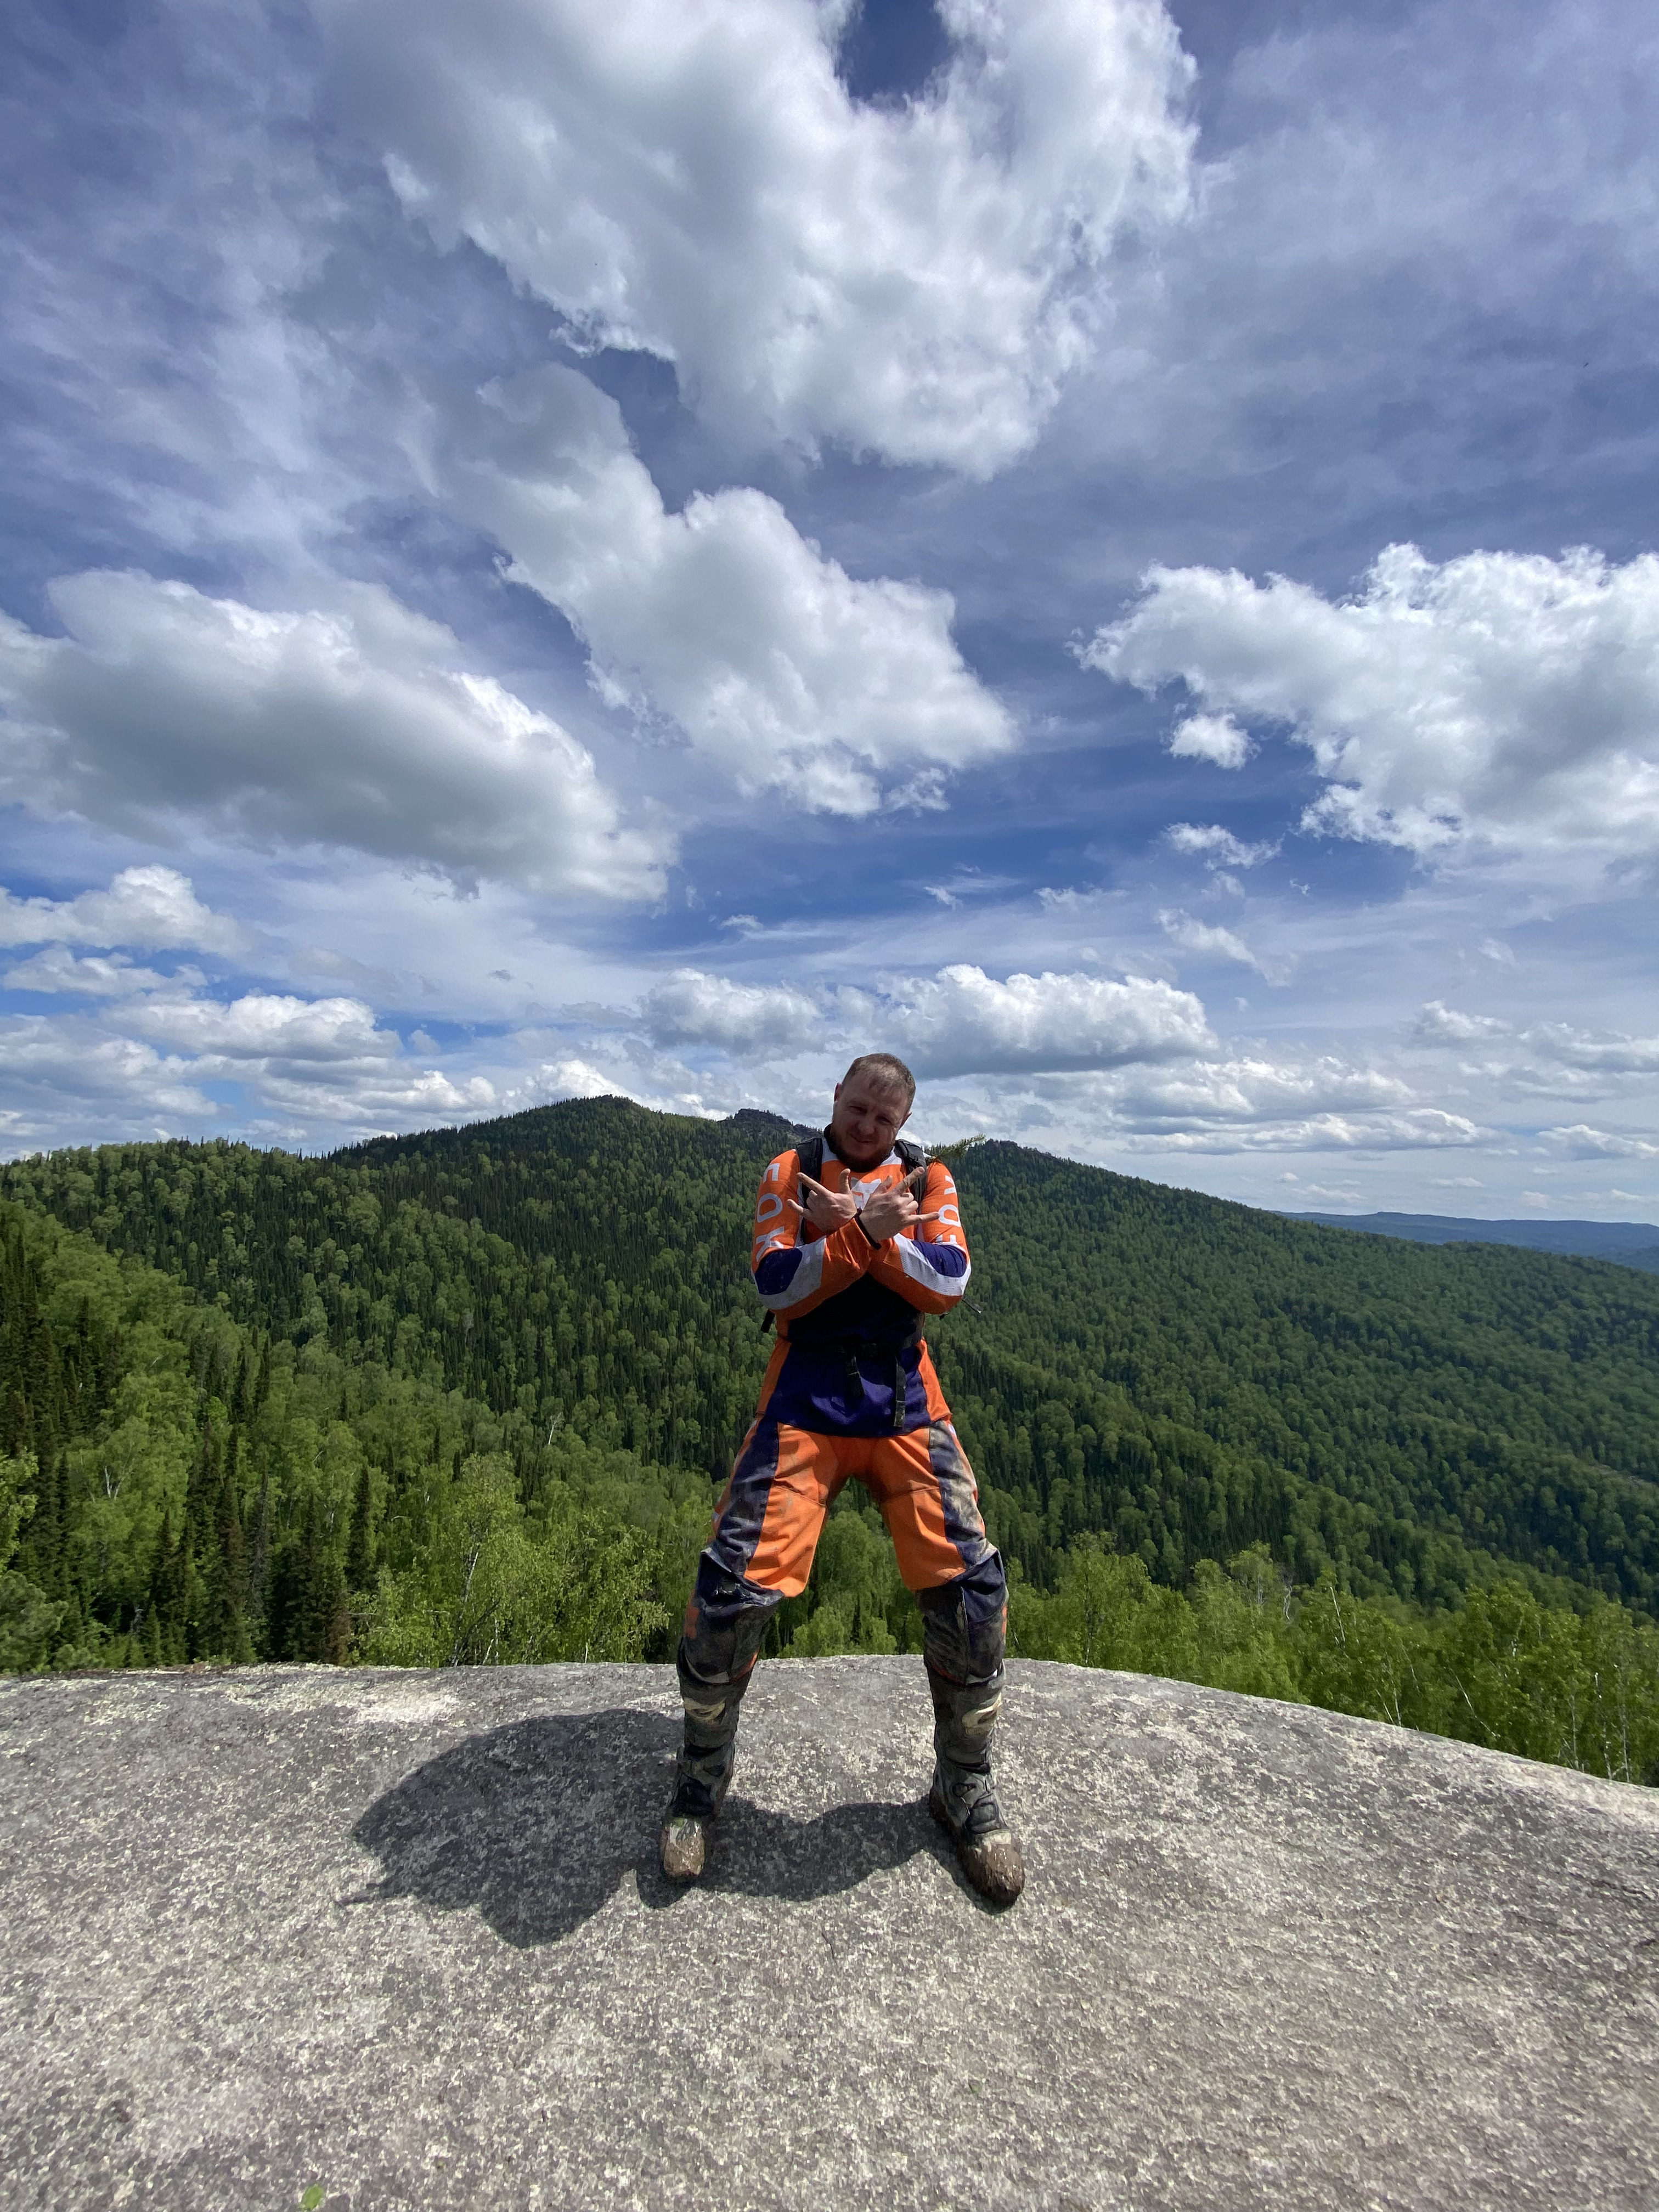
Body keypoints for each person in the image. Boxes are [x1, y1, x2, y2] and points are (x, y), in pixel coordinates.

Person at [659, 1052, 1024, 1905]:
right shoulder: (786, 1173)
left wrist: (855, 1228)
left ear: (903, 1124)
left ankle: (963, 1786)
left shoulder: (929, 1180)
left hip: (904, 1399)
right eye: (858, 1111)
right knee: (727, 1596)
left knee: (973, 1595)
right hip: (804, 1398)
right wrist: (873, 1230)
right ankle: (700, 1781)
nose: (867, 1129)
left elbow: (949, 1286)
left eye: (883, 1120)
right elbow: (777, 1286)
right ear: (835, 1099)